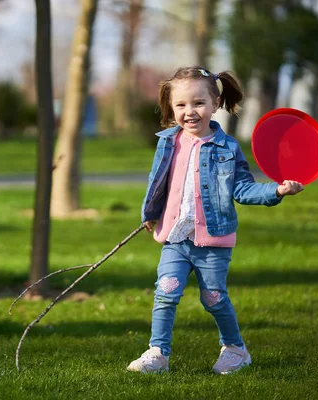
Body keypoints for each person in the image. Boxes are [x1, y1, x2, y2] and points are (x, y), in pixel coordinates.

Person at [126, 66, 304, 375]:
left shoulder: (228, 148)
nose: (189, 111)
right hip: (176, 238)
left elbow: (242, 188)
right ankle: (158, 353)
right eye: (180, 105)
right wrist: (150, 214)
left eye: (198, 103)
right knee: (166, 291)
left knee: (213, 298)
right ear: (171, 107)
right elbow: (158, 182)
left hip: (213, 241)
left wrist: (276, 190)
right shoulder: (168, 142)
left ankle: (235, 348)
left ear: (216, 103)